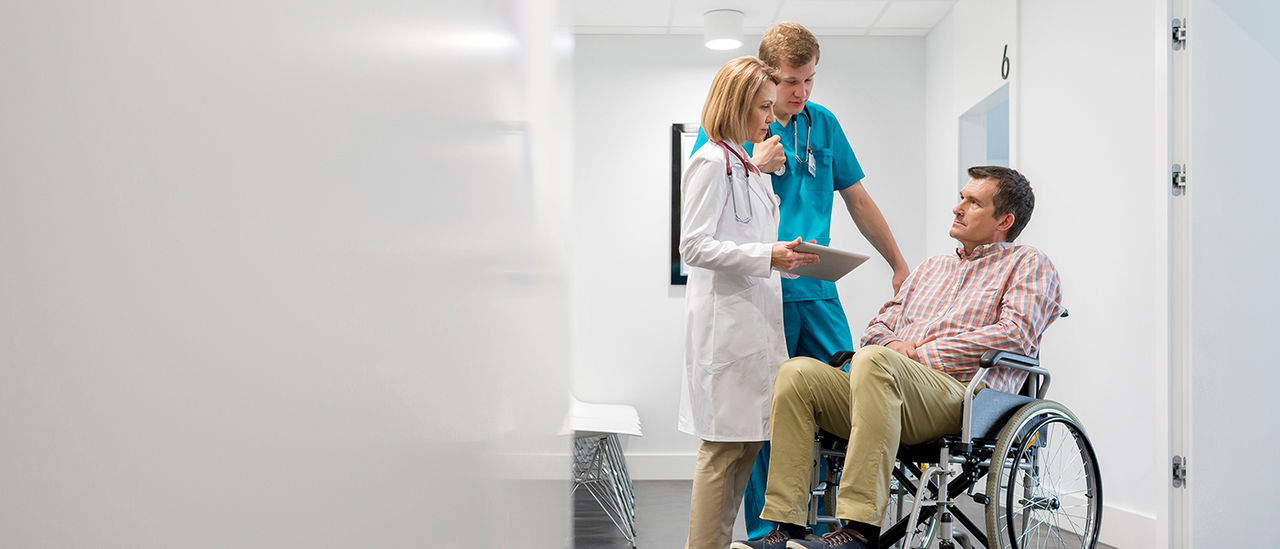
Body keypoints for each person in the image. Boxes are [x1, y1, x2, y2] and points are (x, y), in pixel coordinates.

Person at [731, 166, 1066, 549]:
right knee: (797, 373)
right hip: (888, 387)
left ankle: (859, 529)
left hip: (964, 396)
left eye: (973, 202)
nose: (958, 208)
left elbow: (1015, 334)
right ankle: (784, 528)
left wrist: (918, 354)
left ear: (1005, 220)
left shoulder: (1028, 263)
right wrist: (892, 348)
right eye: (961, 197)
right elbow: (877, 327)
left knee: (875, 362)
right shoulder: (930, 268)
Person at [693, 22, 913, 540]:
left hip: (818, 289)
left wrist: (898, 264)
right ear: (767, 75)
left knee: (854, 394)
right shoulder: (738, 129)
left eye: (810, 80)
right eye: (792, 81)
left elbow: (857, 199)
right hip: (763, 289)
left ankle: (843, 525)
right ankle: (770, 529)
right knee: (767, 418)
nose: (801, 92)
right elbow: (713, 207)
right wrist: (755, 163)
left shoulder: (824, 124)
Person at [677, 56, 821, 549]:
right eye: (762, 106)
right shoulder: (711, 161)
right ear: (737, 105)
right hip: (726, 330)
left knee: (743, 448)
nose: (769, 116)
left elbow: (745, 238)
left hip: (752, 324)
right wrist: (768, 255)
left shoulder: (743, 164)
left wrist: (780, 256)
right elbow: (692, 246)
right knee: (720, 453)